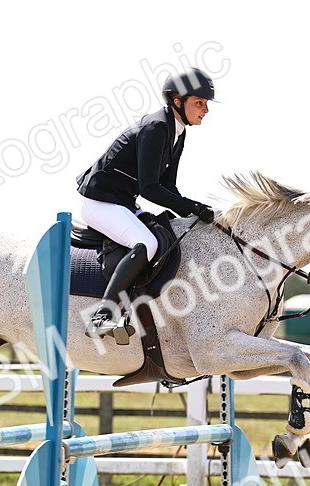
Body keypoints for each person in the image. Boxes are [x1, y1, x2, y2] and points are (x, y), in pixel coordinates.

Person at [76, 67, 218, 340]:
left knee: (166, 234)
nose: (206, 110)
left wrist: (194, 210)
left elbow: (168, 186)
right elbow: (150, 189)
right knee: (147, 244)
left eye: (206, 103)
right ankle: (102, 316)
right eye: (199, 103)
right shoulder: (156, 128)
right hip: (99, 201)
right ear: (177, 101)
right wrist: (192, 206)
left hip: (122, 202)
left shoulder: (177, 131)